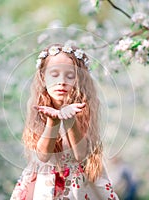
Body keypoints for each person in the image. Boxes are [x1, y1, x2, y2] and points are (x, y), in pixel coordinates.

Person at [10, 43, 119, 200]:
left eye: (70, 75)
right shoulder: (37, 106)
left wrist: (69, 120)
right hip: (45, 180)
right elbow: (43, 156)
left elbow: (80, 154)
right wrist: (53, 122)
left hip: (78, 182)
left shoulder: (84, 106)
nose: (62, 81)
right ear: (43, 76)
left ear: (80, 78)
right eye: (54, 75)